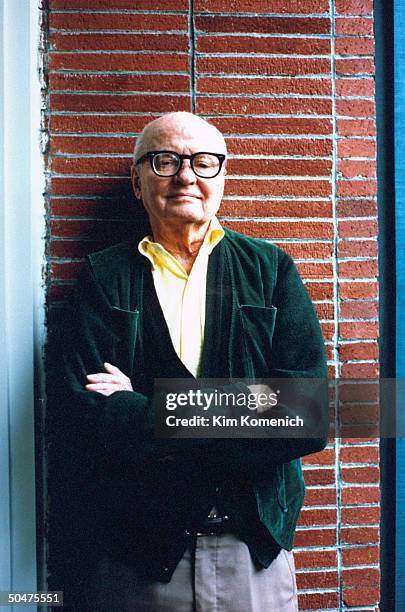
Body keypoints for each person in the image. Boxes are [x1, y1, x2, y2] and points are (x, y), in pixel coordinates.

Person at [60, 111, 328, 611]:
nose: (186, 175)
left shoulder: (271, 271)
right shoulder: (104, 276)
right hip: (139, 556)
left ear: (222, 177)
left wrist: (145, 408)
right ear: (137, 182)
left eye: (204, 162)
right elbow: (85, 418)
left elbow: (306, 417)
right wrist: (244, 415)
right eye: (165, 161)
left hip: (252, 551)